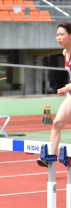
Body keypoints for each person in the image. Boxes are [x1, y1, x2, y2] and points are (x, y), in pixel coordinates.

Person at [38, 21, 71, 167]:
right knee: (57, 123)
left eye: (62, 35)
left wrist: (67, 87)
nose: (58, 37)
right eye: (57, 35)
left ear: (70, 36)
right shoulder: (65, 52)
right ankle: (49, 156)